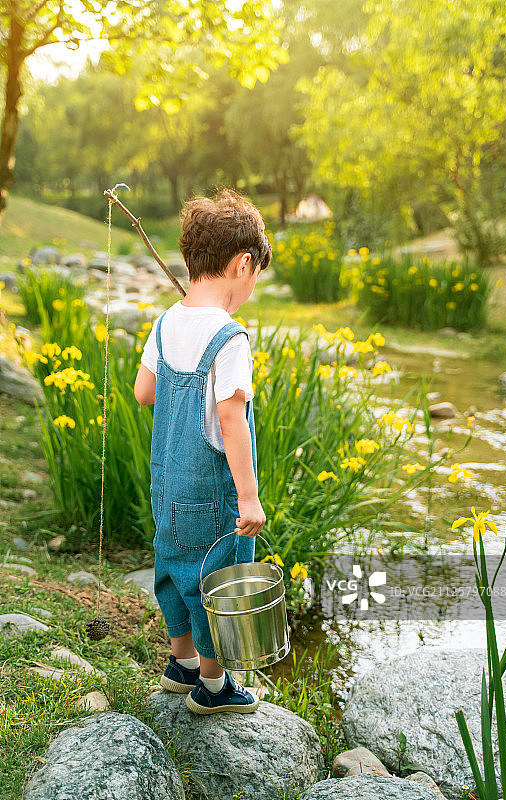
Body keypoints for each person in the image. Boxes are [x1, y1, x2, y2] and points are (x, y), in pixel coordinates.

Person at [134, 189, 271, 714]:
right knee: (216, 582)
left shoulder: (168, 321)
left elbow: (145, 391)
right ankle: (212, 689)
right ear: (242, 264)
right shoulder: (230, 338)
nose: (253, 283)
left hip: (167, 486)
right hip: (212, 497)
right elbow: (232, 419)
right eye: (255, 273)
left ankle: (180, 663)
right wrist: (250, 497)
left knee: (173, 568)